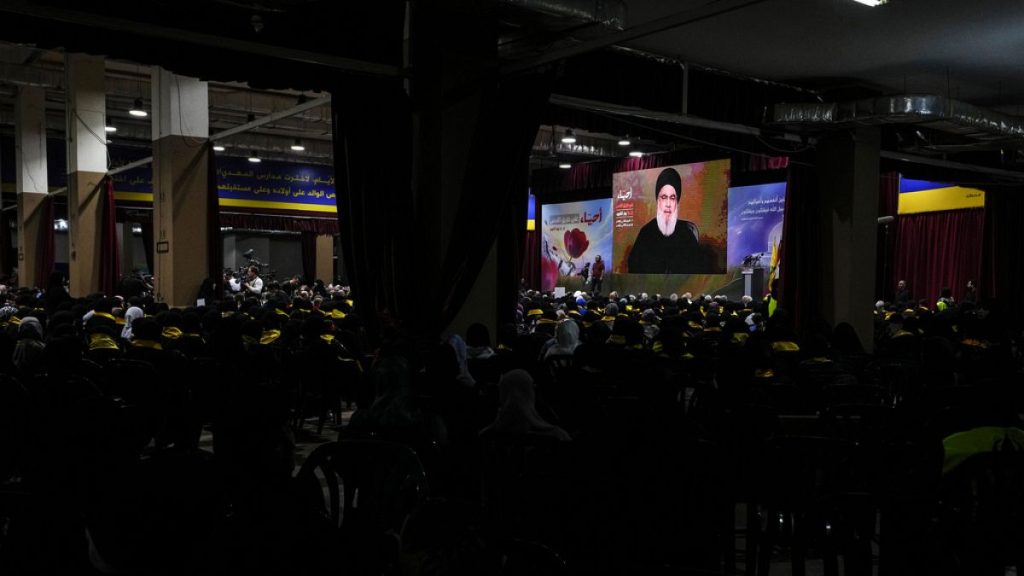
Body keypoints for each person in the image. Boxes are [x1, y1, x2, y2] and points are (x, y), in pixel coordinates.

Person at [626, 167, 719, 274]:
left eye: (672, 198)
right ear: (658, 200)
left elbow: (697, 268)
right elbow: (634, 266)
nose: (668, 204)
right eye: (664, 197)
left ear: (677, 202)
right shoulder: (646, 233)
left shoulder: (687, 234)